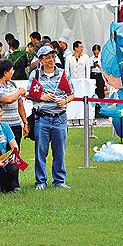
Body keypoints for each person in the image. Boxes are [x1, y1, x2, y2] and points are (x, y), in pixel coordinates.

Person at [29, 46, 75, 190]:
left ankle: (59, 180)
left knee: (60, 151)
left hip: (60, 117)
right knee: (40, 151)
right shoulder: (35, 75)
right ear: (41, 60)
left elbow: (72, 94)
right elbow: (29, 94)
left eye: (53, 57)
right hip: (42, 117)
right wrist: (42, 97)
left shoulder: (62, 74)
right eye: (47, 57)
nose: (51, 60)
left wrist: (65, 101)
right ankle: (40, 181)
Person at [0, 59, 27, 189]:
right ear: (5, 72)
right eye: (11, 70)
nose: (13, 72)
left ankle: (14, 184)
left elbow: (20, 104)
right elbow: (7, 99)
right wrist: (19, 92)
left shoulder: (13, 85)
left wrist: (25, 122)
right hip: (0, 127)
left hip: (15, 125)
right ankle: (0, 183)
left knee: (15, 153)